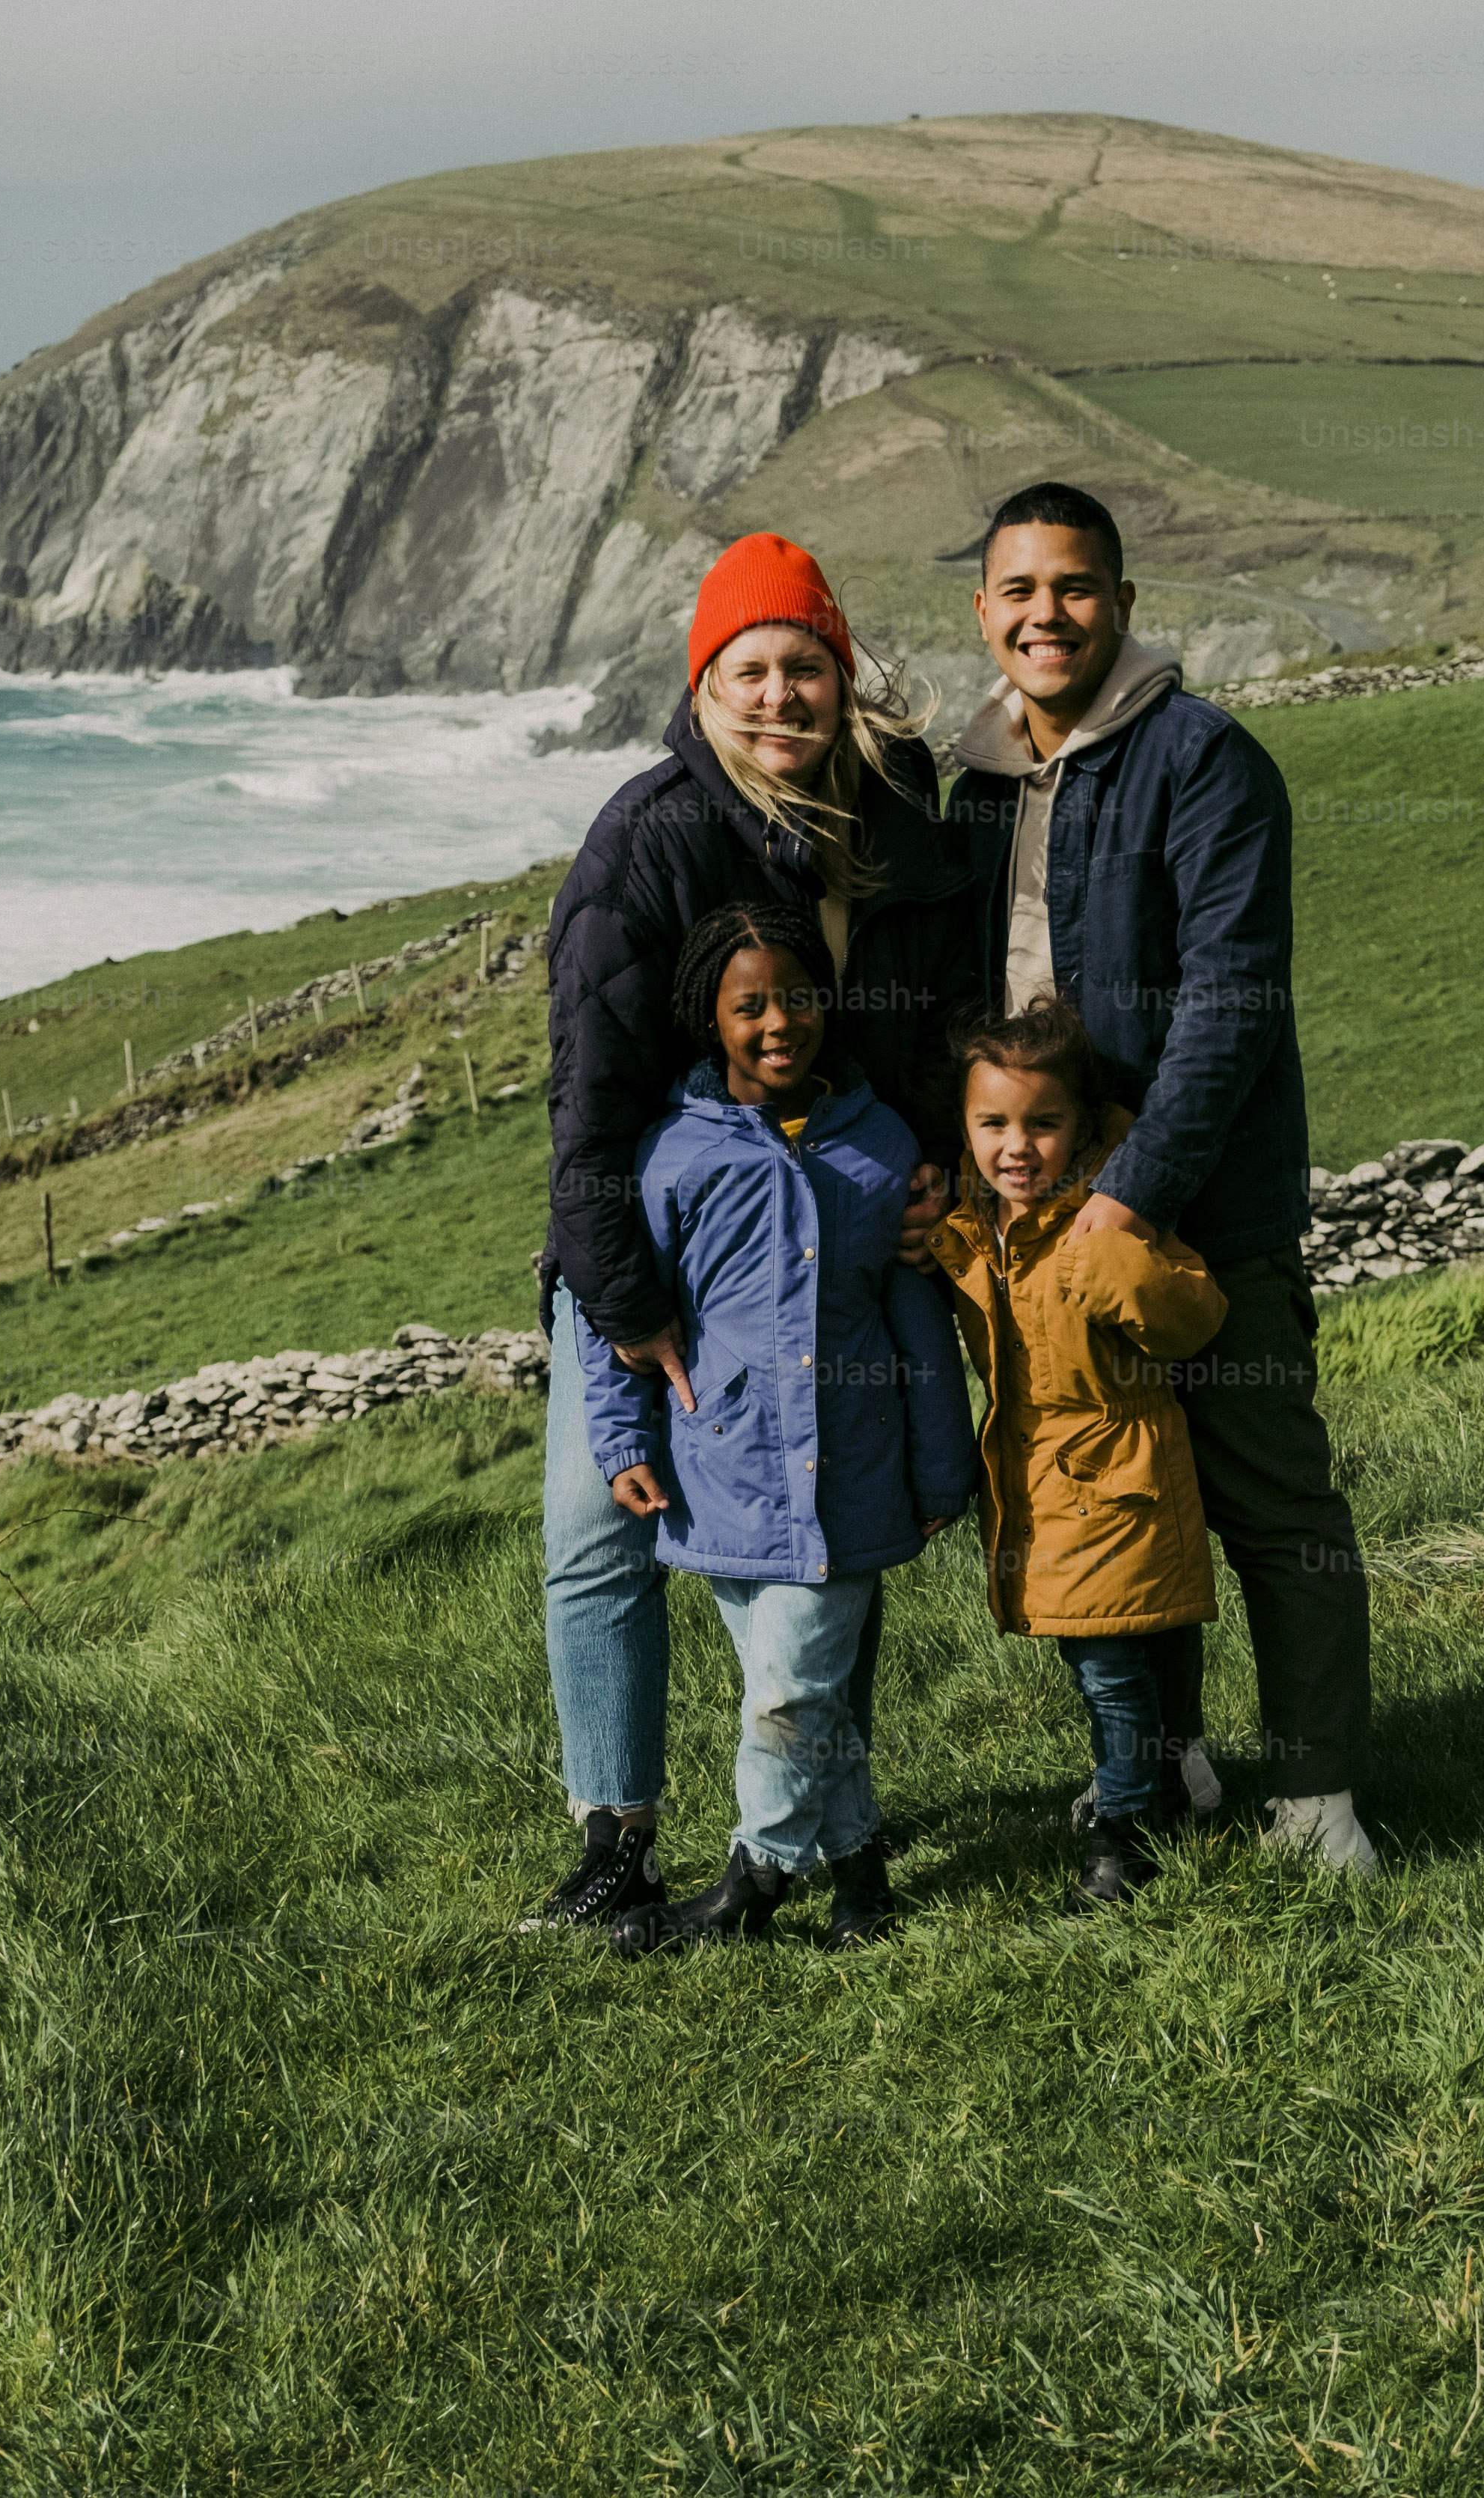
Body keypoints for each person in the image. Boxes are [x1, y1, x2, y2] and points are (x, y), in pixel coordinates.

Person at [526, 534, 990, 1934]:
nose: (779, 697)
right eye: (750, 672)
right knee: (597, 1526)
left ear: (839, 678)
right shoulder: (649, 837)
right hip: (655, 1235)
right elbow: (588, 1108)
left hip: (840, 1218)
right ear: (702, 683)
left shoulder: (900, 815)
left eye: (805, 668)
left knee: (834, 1516)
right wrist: (623, 1302)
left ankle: (819, 1828)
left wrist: (929, 1179)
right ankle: (617, 1836)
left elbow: (939, 1013)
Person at [950, 480, 1381, 1875]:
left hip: (1204, 1214)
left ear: (1123, 604)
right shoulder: (974, 791)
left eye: (1072, 587)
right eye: (1018, 591)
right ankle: (1173, 1760)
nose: (1045, 614)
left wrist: (1131, 1192)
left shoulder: (1206, 760)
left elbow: (1232, 999)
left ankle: (1317, 1799)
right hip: (1053, 1222)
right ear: (983, 614)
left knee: (1269, 1501)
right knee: (1123, 1489)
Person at [575, 903, 977, 1951]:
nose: (776, 1021)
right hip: (719, 1474)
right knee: (804, 1699)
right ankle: (861, 1881)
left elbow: (915, 1321)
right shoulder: (671, 1154)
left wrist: (942, 1468)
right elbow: (615, 1316)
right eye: (747, 1003)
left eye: (795, 996)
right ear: (708, 1017)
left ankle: (748, 1884)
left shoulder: (878, 1144)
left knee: (786, 1697)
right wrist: (622, 1441)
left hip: (848, 1476)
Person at [928, 998, 1228, 1905]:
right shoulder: (983, 1225)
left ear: (1085, 1125)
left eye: (1042, 1123)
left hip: (1120, 1477)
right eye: (993, 1123)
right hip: (1046, 1484)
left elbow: (1196, 1315)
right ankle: (1171, 1786)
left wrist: (1119, 1262)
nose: (1016, 1145)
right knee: (1137, 1656)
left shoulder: (1104, 1222)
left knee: (1108, 1669)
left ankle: (1123, 1836)